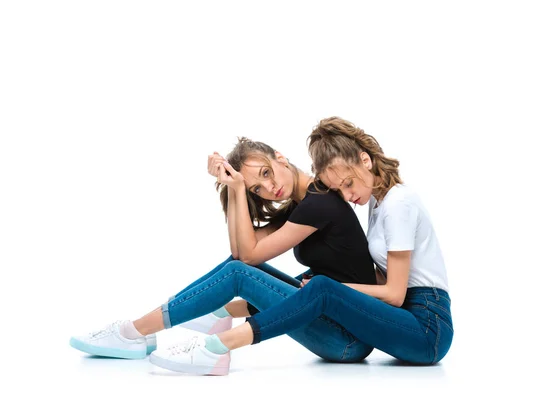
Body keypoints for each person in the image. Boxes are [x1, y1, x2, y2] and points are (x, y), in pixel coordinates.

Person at [147, 117, 453, 375]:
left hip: (427, 327)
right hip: (403, 318)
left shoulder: (399, 203)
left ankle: (215, 345)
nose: (346, 196)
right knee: (286, 278)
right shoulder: (378, 202)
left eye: (347, 184)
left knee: (317, 285)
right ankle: (214, 318)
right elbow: (244, 254)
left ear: (365, 160)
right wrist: (235, 188)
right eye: (339, 188)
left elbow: (395, 294)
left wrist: (332, 288)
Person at [69, 136, 377, 366]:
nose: (268, 189)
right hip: (336, 326)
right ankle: (150, 328)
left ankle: (133, 332)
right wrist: (232, 186)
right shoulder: (303, 204)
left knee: (238, 272)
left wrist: (239, 188)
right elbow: (241, 249)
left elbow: (249, 257)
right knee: (237, 267)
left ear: (280, 158)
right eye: (257, 187)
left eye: (266, 174)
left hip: (347, 339)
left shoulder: (319, 204)